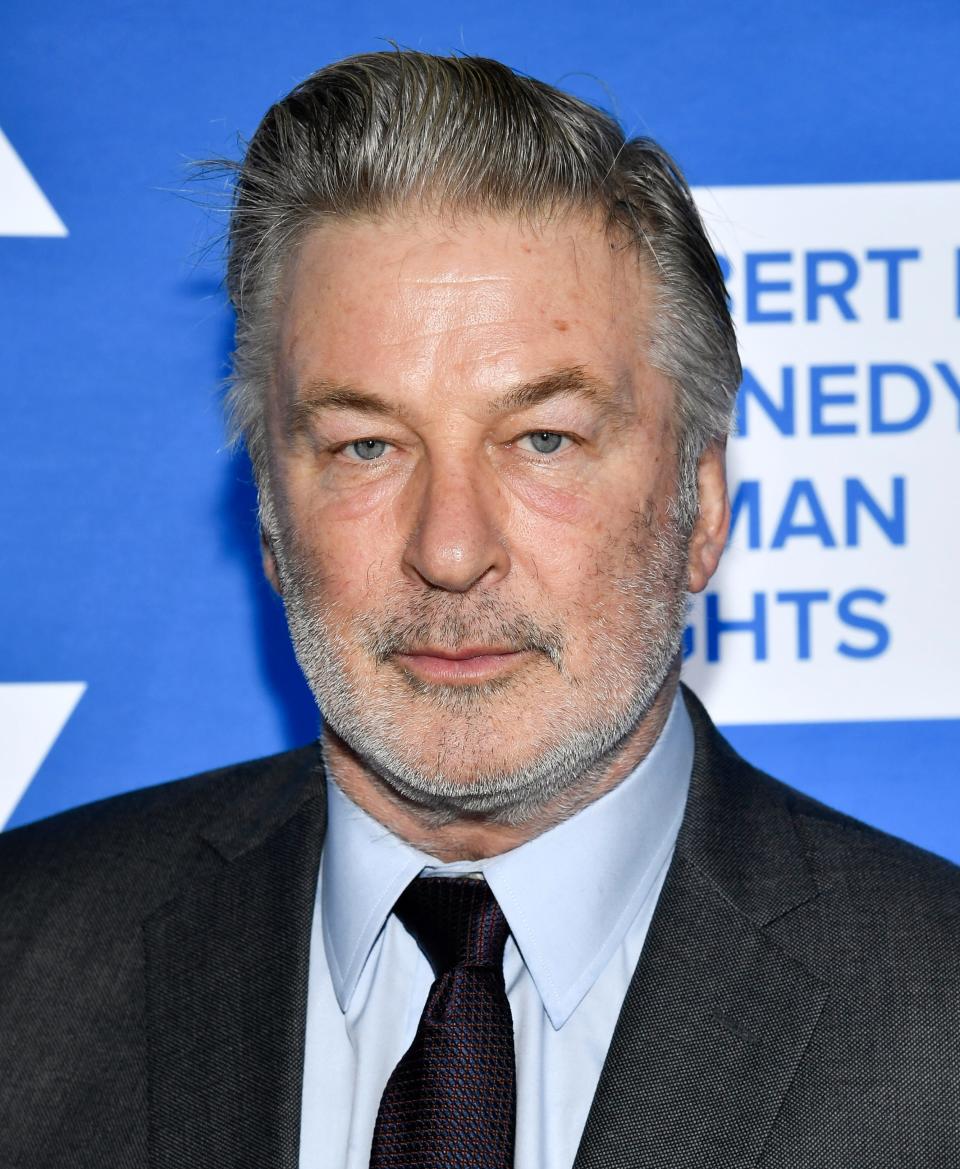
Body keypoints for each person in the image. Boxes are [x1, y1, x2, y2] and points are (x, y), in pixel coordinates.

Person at [1, 50, 957, 1169]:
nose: (450, 549)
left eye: (543, 439)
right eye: (366, 445)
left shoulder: (938, 1015)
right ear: (269, 515)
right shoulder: (27, 968)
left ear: (698, 506)